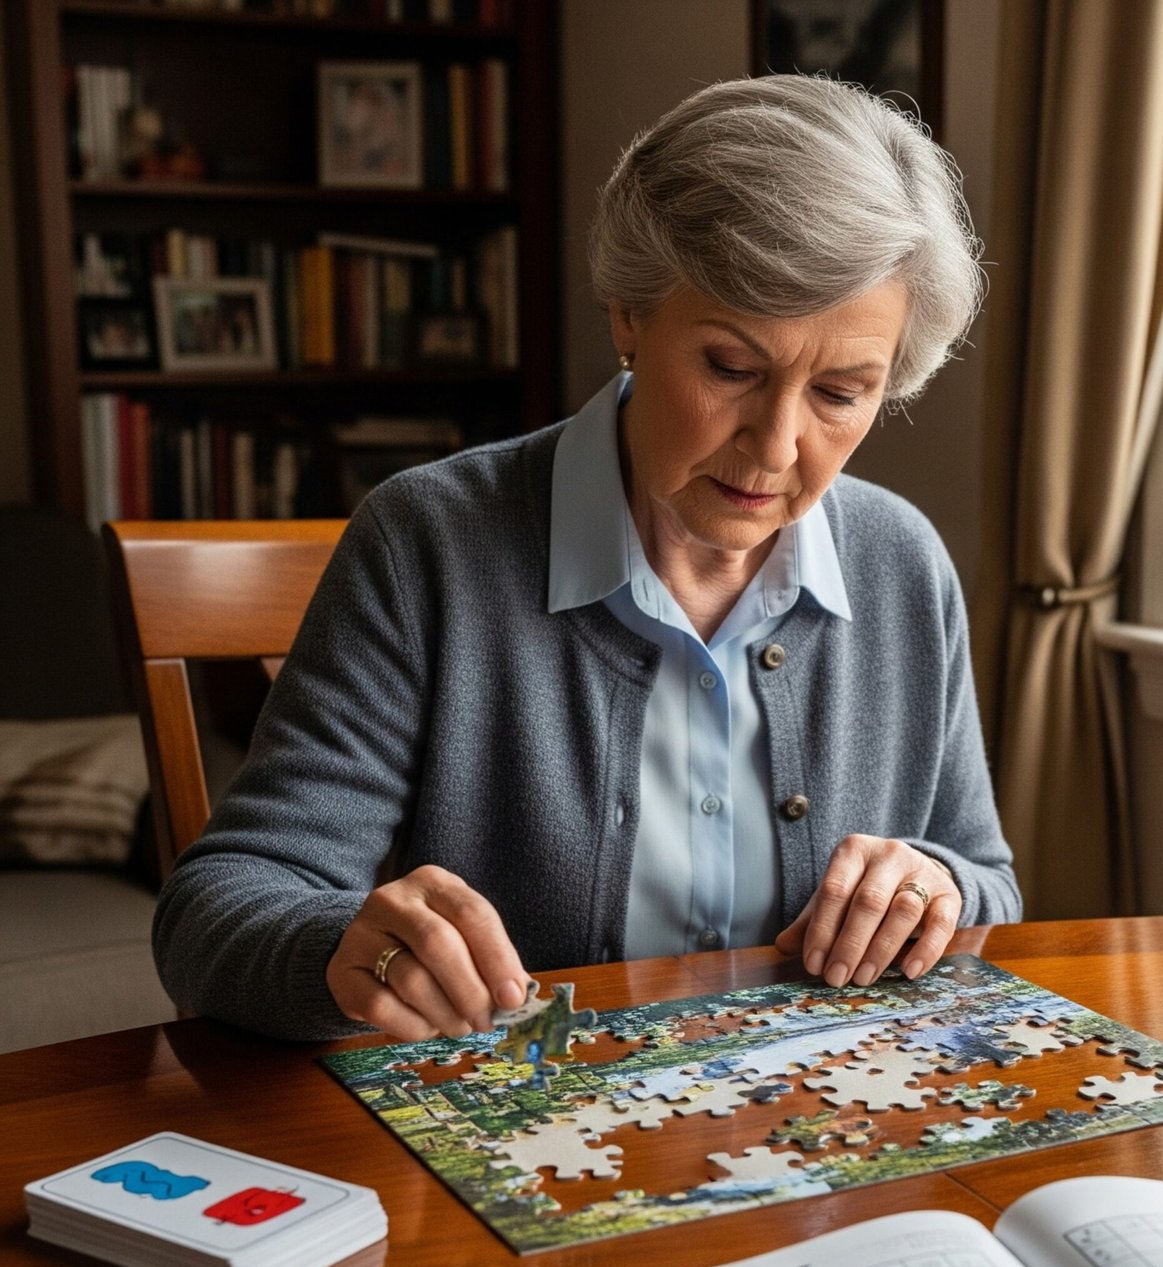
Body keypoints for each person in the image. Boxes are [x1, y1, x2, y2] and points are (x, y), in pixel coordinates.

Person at [152, 75, 1021, 1044]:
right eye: (731, 368)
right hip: (511, 1147)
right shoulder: (426, 545)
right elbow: (215, 910)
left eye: (841, 392)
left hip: (821, 1146)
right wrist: (345, 952)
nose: (777, 446)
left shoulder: (901, 561)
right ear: (628, 316)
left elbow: (987, 879)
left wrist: (934, 885)